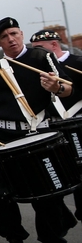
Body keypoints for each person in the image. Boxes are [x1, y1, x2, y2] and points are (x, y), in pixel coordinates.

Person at [0, 17, 74, 242]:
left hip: (39, 133)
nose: (11, 39)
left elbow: (67, 87)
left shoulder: (42, 57)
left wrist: (57, 87)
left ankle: (52, 237)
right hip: (3, 137)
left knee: (47, 193)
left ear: (21, 34)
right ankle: (14, 237)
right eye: (4, 37)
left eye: (14, 33)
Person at [30, 29, 82, 219]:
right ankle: (61, 219)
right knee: (53, 176)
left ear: (54, 45)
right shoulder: (34, 70)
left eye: (40, 48)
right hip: (52, 128)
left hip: (78, 125)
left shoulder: (77, 63)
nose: (36, 53)